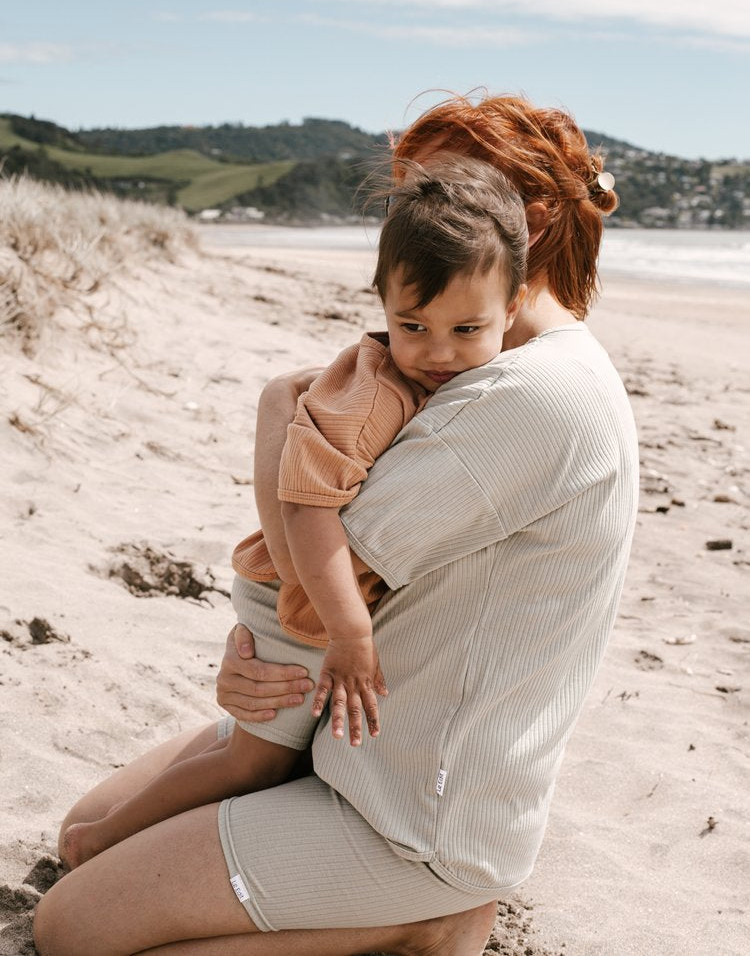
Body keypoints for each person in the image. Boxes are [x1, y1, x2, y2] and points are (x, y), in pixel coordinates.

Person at [34, 92, 639, 956]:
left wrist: (276, 408)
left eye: (442, 195)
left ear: (529, 226)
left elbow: (307, 580)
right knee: (83, 831)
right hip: (349, 737)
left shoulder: (531, 396)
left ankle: (427, 920)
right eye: (410, 201)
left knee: (71, 929)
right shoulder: (476, 363)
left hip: (411, 811)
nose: (421, 221)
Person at [59, 155, 529, 870]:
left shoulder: (450, 377)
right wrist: (347, 629)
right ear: (381, 304)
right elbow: (307, 506)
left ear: (513, 311)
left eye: (467, 330)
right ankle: (103, 839)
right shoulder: (370, 397)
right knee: (254, 760)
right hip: (295, 589)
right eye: (412, 325)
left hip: (312, 588)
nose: (438, 352)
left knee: (265, 753)